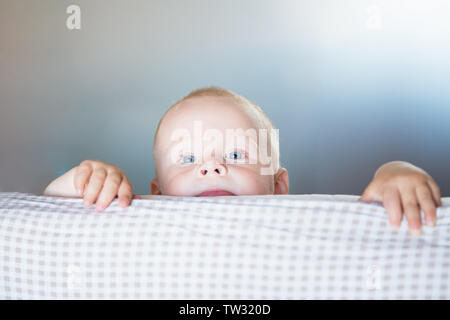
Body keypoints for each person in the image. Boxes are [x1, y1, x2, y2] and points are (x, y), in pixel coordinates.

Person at [44, 87, 442, 236]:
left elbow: (369, 226)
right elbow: (50, 211)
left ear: (279, 187)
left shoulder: (303, 228)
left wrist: (398, 173)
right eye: (187, 159)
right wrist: (86, 180)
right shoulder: (139, 217)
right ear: (158, 191)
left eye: (235, 155)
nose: (212, 167)